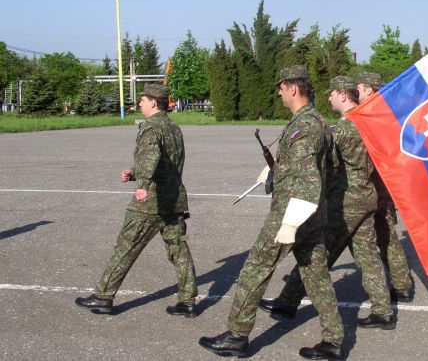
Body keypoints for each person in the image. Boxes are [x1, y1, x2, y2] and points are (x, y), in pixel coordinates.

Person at [199, 66, 344, 361]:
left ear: (293, 88)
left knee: (255, 269)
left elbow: (308, 181)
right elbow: (327, 168)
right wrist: (276, 172)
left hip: (292, 214)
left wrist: (289, 223)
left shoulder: (304, 127)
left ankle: (236, 335)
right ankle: (334, 340)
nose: (278, 93)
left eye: (281, 87)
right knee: (316, 275)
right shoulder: (317, 121)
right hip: (312, 214)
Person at [260, 76, 395, 330]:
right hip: (367, 196)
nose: (329, 98)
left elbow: (321, 161)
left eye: (332, 93)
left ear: (343, 95)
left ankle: (288, 302)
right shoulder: (367, 122)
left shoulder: (342, 129)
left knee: (316, 255)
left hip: (347, 202)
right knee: (367, 256)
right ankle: (383, 310)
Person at [75, 84, 198, 317]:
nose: (139, 103)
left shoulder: (150, 127)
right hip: (175, 201)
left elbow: (150, 157)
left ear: (153, 102)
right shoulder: (173, 127)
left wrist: (142, 185)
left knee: (125, 247)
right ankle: (187, 300)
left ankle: (103, 296)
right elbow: (166, 162)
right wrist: (134, 173)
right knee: (179, 249)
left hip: (151, 202)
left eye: (142, 99)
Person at [355, 71, 414, 302]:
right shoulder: (388, 112)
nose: (356, 90)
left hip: (372, 184)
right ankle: (402, 285)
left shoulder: (371, 113)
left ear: (369, 89)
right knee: (387, 235)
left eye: (359, 87)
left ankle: (384, 293)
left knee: (365, 238)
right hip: (385, 183)